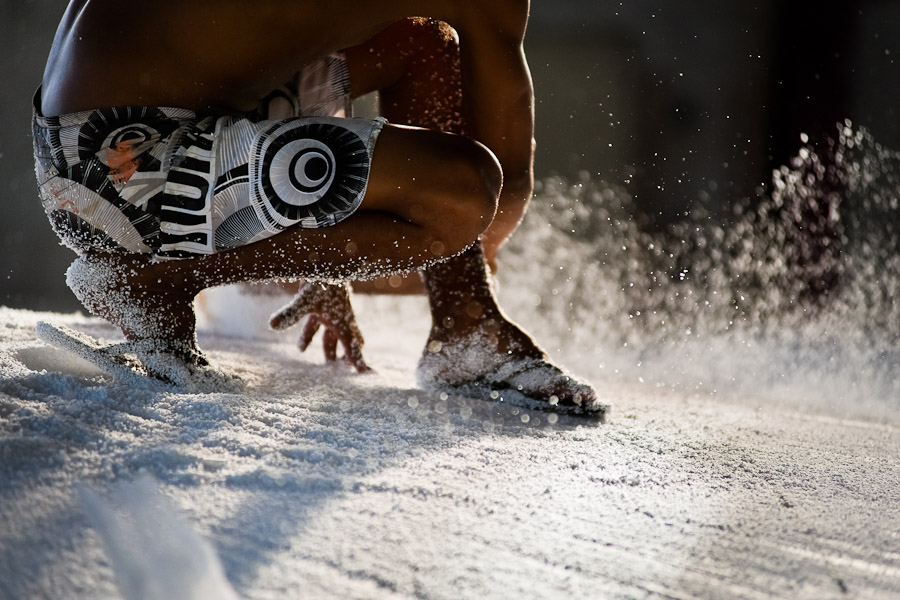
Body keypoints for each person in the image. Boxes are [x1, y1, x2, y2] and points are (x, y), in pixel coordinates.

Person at [34, 0, 603, 415]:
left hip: (99, 147)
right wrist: (356, 239)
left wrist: (321, 240)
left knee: (422, 40)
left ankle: (464, 328)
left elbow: (256, 40)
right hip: (128, 169)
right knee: (463, 192)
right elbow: (501, 197)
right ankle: (161, 280)